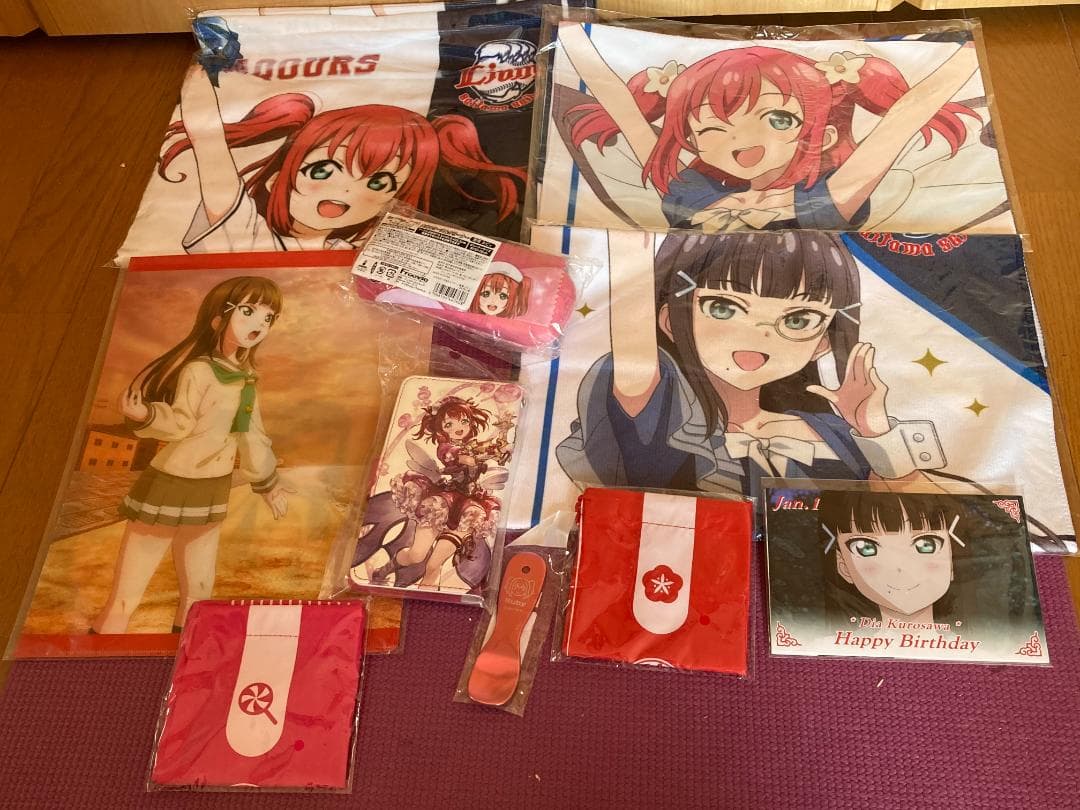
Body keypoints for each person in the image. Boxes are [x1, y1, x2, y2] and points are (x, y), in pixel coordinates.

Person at [557, 230, 942, 501]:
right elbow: (635, 363)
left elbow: (934, 522)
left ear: (822, 342)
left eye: (798, 320)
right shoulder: (667, 415)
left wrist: (874, 431)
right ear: (671, 320)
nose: (760, 336)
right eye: (723, 308)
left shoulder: (835, 434)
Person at [562, 29, 981, 230]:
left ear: (821, 136)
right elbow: (623, 109)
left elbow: (903, 119)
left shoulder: (826, 198)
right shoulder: (688, 191)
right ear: (690, 141)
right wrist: (568, 33)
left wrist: (971, 52)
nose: (744, 141)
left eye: (778, 120)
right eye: (713, 128)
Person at [92, 276, 292, 633]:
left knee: (199, 592)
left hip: (210, 489)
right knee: (127, 593)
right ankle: (101, 654)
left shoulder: (245, 379)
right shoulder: (199, 370)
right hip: (170, 483)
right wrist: (145, 415)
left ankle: (189, 655)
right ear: (218, 318)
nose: (260, 324)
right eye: (249, 311)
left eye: (268, 317)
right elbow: (180, 423)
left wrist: (268, 484)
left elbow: (251, 436)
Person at [158, 65, 526, 252]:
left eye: (380, 182)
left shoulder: (354, 251)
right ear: (275, 179)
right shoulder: (244, 232)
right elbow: (210, 146)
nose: (347, 191)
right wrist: (211, 63)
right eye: (322, 170)